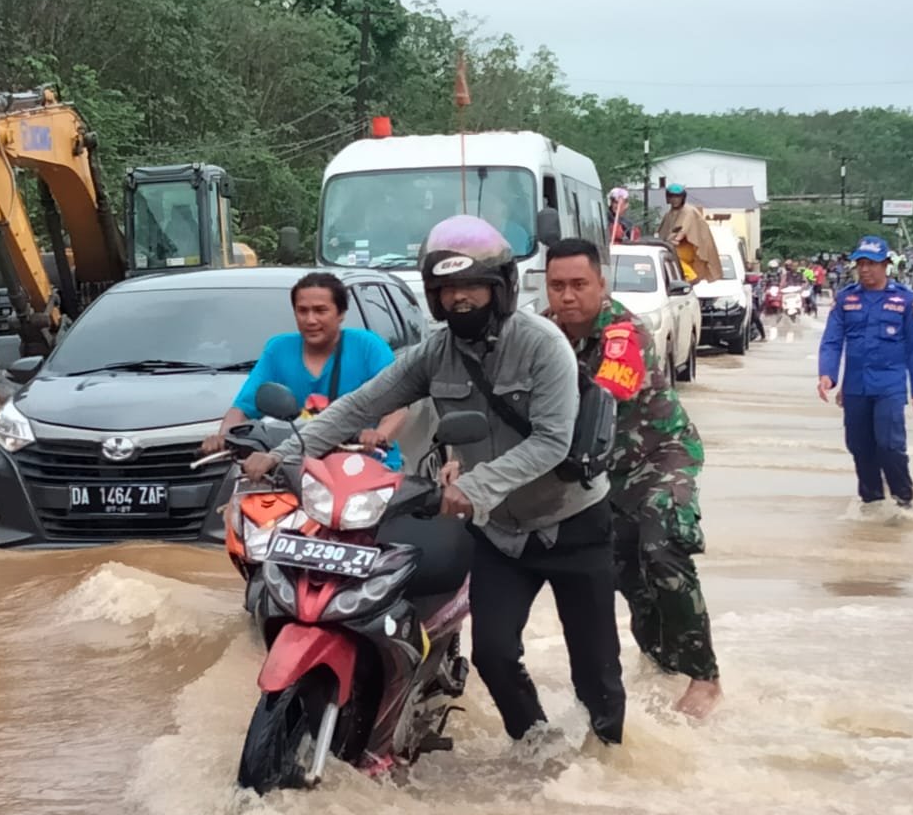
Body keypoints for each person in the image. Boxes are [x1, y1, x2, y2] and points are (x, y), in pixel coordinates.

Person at [242, 216, 626, 745]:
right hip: (499, 532)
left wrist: (471, 488)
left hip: (572, 521)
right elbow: (360, 405)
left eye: (472, 286)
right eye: (447, 290)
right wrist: (283, 454)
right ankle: (538, 748)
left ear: (501, 288)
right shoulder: (434, 353)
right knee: (494, 654)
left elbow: (551, 440)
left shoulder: (543, 345)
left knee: (596, 666)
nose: (459, 299)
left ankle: (606, 761)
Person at [543, 238, 724, 718]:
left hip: (660, 455)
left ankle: (705, 677)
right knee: (628, 578)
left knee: (661, 545)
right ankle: (662, 666)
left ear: (601, 285)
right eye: (557, 286)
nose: (567, 296)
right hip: (600, 474)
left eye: (579, 284)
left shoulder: (623, 332)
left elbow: (607, 392)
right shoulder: (542, 333)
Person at [202, 272, 406, 468]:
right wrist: (223, 437)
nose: (310, 320)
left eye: (320, 311)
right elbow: (242, 409)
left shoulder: (367, 346)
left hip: (364, 465)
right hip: (294, 467)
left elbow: (397, 406)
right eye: (302, 311)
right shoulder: (279, 349)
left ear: (341, 314)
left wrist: (379, 435)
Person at [818, 236, 913, 509]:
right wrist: (827, 375)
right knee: (859, 446)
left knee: (889, 445)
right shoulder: (846, 299)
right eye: (860, 264)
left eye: (871, 263)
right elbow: (832, 340)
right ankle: (871, 503)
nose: (865, 269)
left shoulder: (905, 300)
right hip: (855, 387)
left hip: (889, 386)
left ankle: (904, 500)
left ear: (885, 265)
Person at [656, 184, 722, 284]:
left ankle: (691, 278)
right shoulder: (669, 214)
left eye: (678, 197)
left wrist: (676, 239)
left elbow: (683, 229)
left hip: (688, 248)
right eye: (672, 196)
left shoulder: (688, 211)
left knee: (671, 256)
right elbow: (663, 233)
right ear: (668, 198)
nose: (675, 199)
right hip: (675, 247)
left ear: (683, 198)